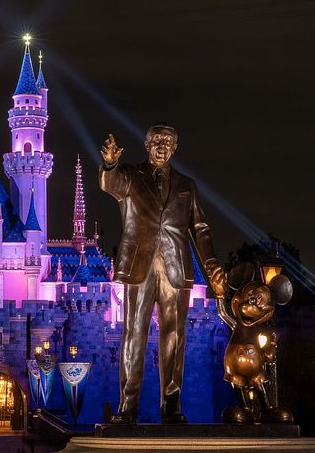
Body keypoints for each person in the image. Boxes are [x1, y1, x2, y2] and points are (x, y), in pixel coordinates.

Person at [99, 123, 227, 424]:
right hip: (139, 267)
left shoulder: (186, 185)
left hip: (175, 268)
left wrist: (211, 266)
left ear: (175, 148)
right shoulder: (130, 177)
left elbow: (200, 229)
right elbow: (109, 183)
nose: (161, 145)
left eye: (167, 141)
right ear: (146, 145)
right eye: (156, 140)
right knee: (133, 335)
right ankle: (128, 405)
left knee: (174, 337)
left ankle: (171, 404)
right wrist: (110, 163)